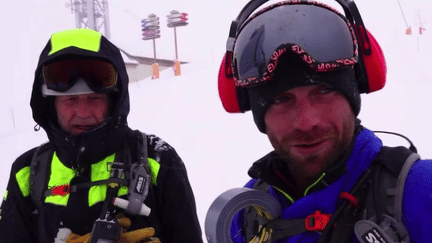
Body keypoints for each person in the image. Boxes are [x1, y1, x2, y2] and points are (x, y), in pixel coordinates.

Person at [213, 0, 432, 242]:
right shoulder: (247, 214)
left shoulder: (421, 191)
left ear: (356, 88)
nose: (307, 123)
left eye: (324, 91)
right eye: (280, 100)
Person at [0, 28, 203, 243]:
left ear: (113, 102)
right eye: (70, 100)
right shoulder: (27, 173)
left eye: (94, 99)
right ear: (51, 106)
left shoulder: (158, 160)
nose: (83, 113)